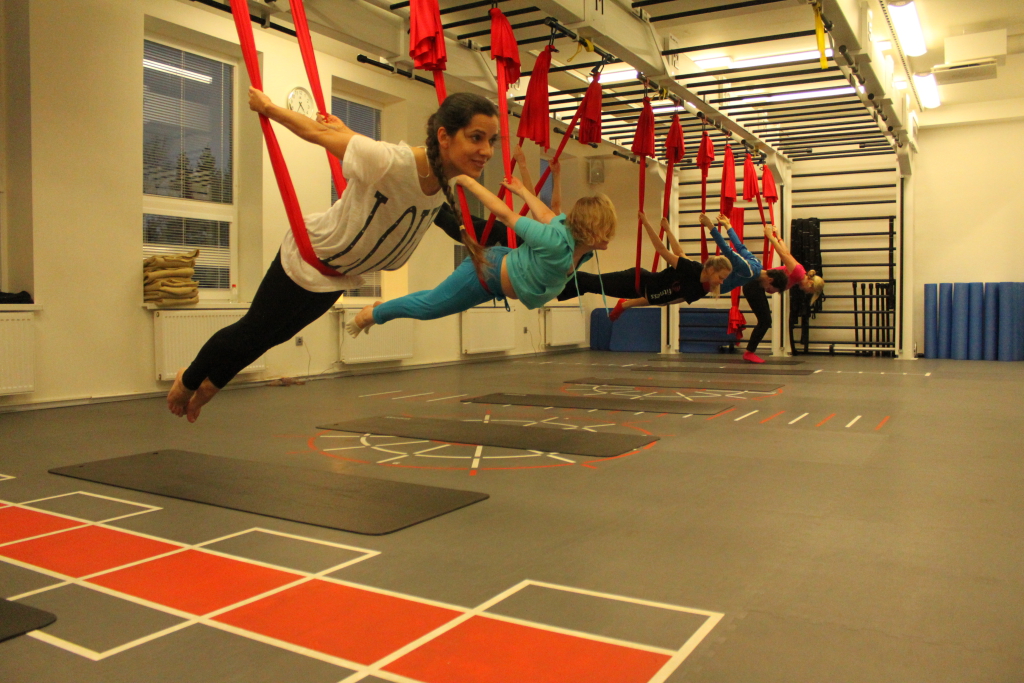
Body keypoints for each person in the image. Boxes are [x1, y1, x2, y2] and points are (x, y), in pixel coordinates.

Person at [166, 89, 500, 422]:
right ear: (444, 136)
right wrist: (267, 106)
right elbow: (316, 132)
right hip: (308, 257)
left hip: (340, 275)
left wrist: (528, 236)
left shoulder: (444, 184)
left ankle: (211, 383)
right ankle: (191, 380)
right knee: (253, 330)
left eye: (491, 141)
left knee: (275, 335)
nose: (486, 151)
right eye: (476, 138)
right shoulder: (391, 162)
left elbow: (459, 224)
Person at [346, 172, 614, 335]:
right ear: (589, 231)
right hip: (486, 272)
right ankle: (372, 316)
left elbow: (545, 214)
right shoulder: (555, 241)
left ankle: (384, 309)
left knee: (431, 301)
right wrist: (469, 183)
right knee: (429, 307)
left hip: (492, 284)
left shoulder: (580, 248)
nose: (609, 237)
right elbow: (505, 215)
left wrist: (521, 190)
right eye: (606, 230)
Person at [556, 212, 733, 320]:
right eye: (721, 277)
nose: (722, 282)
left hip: (639, 292)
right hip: (637, 280)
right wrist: (649, 224)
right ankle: (557, 281)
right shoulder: (691, 269)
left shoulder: (700, 290)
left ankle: (557, 285)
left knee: (592, 286)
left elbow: (663, 301)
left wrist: (627, 305)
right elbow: (665, 250)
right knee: (593, 283)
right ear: (710, 270)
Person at [433, 147, 562, 247]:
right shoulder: (558, 236)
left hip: (504, 237)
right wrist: (523, 165)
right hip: (504, 234)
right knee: (457, 219)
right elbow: (539, 202)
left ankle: (433, 206)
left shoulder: (555, 239)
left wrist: (554, 176)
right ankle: (434, 205)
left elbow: (539, 202)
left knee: (460, 224)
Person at [741, 223, 826, 364]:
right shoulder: (799, 272)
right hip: (754, 285)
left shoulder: (799, 273)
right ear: (810, 283)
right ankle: (749, 353)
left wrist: (778, 236)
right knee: (765, 321)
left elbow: (787, 252)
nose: (806, 292)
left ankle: (750, 352)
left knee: (765, 321)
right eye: (810, 291)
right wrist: (770, 236)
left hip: (758, 286)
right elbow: (783, 254)